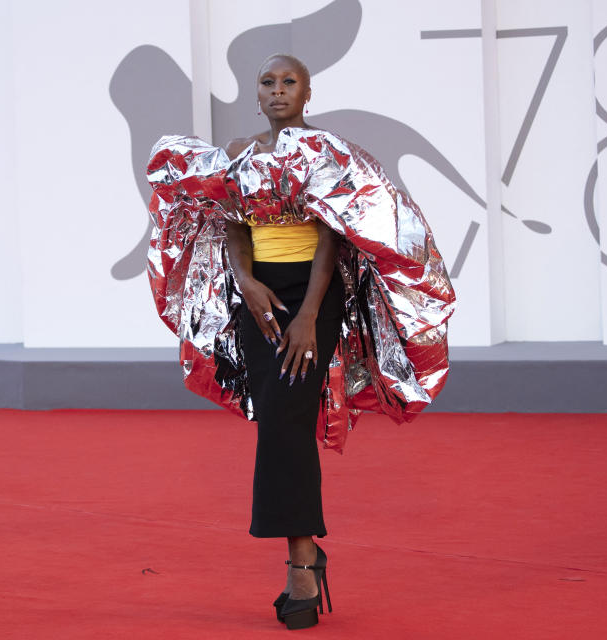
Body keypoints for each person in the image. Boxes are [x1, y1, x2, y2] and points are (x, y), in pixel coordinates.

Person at [145, 53, 455, 630]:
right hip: (257, 296)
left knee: (286, 418)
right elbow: (231, 218)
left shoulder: (329, 154)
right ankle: (305, 553)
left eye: (290, 82)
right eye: (269, 82)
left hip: (312, 298)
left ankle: (301, 563)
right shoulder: (239, 151)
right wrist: (245, 283)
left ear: (307, 94)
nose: (279, 90)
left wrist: (310, 314)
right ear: (257, 94)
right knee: (278, 419)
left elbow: (334, 237)